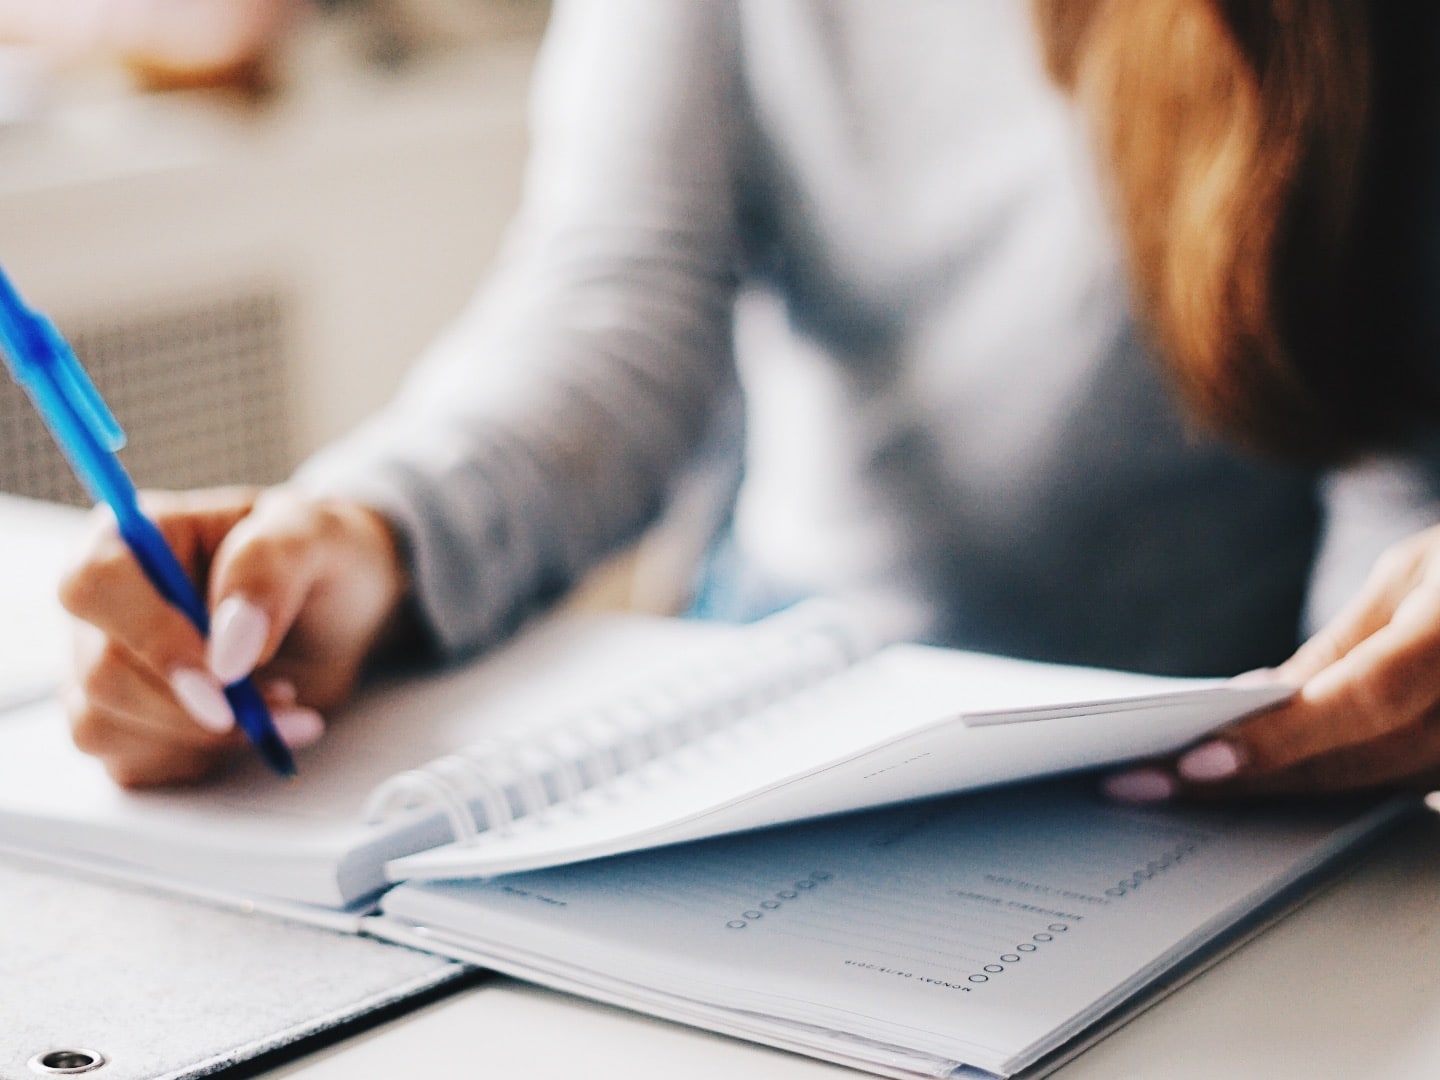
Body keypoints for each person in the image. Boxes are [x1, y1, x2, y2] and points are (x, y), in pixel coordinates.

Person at [57, 0, 1440, 800]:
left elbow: (1399, 436)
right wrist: (366, 536)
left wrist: (1366, 705)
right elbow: (617, 302)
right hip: (779, 743)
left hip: (1225, 778)